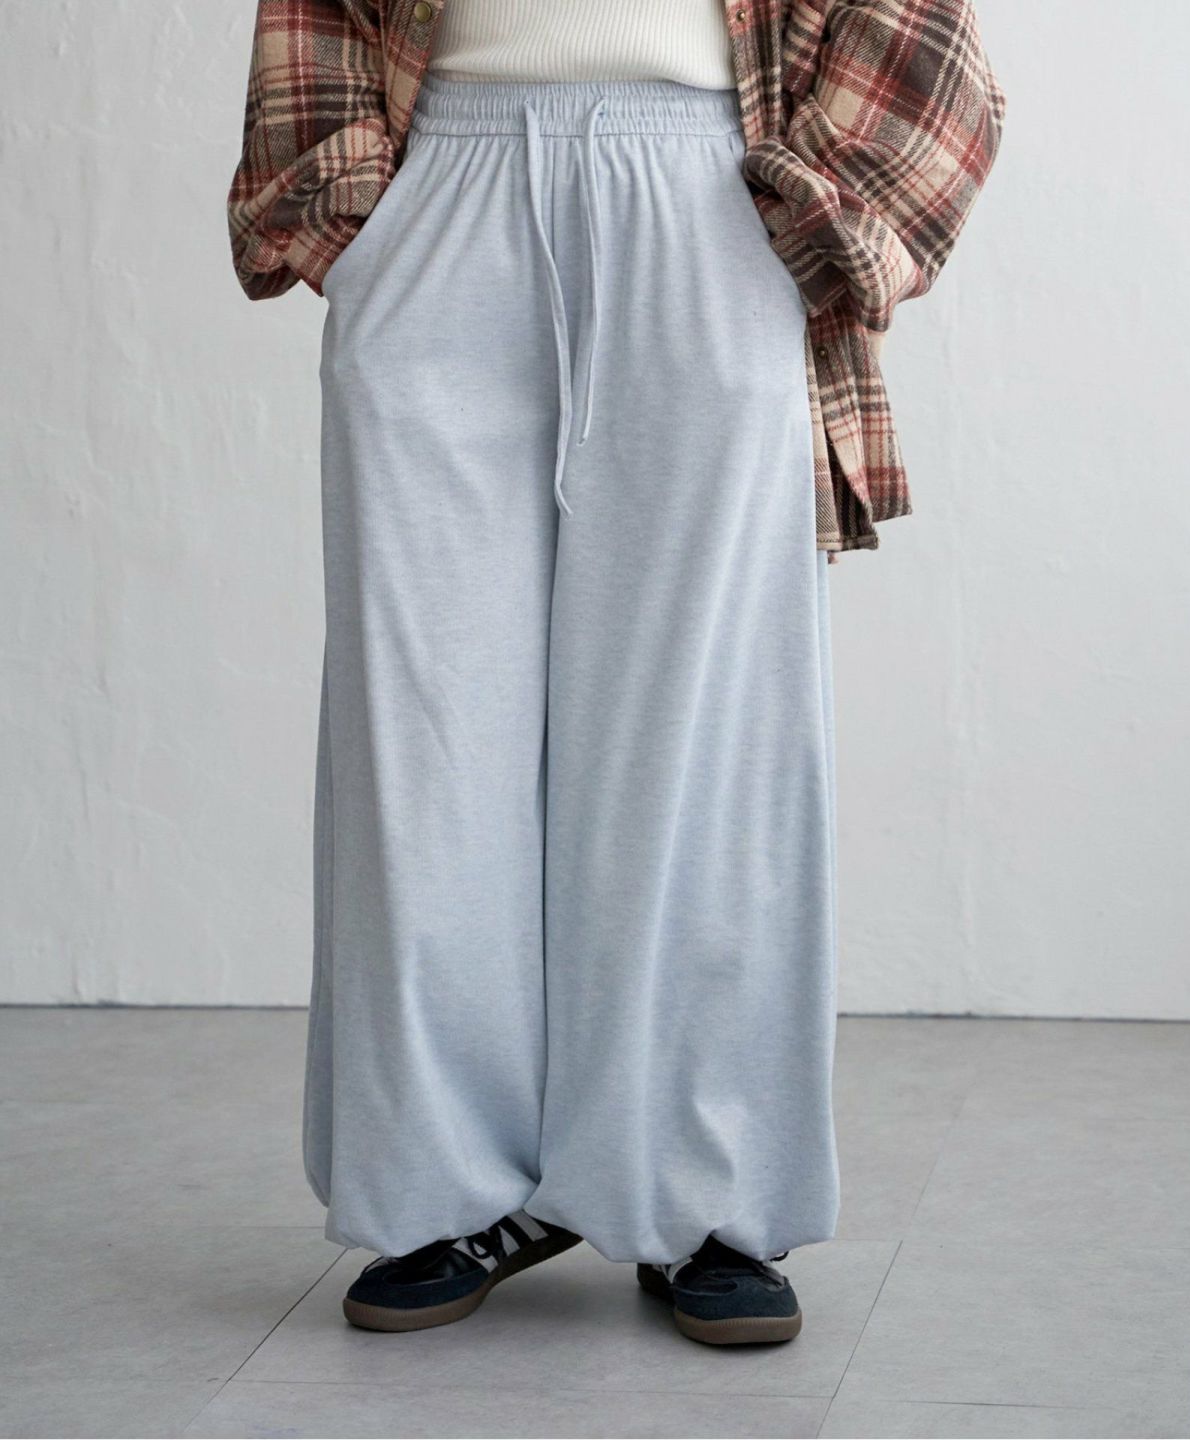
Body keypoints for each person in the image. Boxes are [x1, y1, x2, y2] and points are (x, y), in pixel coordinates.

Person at [227, 0, 1004, 1347]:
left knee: (703, 730)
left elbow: (917, 28)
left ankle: (703, 1194)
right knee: (423, 725)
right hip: (443, 175)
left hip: (704, 187)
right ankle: (443, 1185)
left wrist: (805, 219)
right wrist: (364, 227)